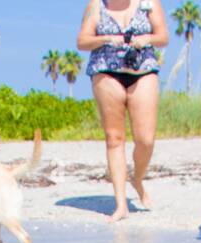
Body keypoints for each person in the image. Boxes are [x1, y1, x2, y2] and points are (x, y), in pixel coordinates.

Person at [77, 0, 169, 222]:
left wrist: (147, 39)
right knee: (114, 138)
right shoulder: (96, 6)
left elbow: (163, 37)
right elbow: (82, 41)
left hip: (143, 70)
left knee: (145, 139)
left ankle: (137, 179)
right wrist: (107, 39)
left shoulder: (148, 3)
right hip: (105, 71)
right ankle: (121, 205)